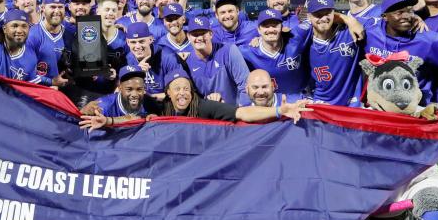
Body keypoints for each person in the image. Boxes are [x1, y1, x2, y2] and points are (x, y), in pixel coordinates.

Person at [80, 71, 309, 128]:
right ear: (167, 93)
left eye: (186, 89)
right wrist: (92, 106)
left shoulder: (204, 106)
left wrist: (279, 111)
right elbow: (132, 118)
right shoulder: (157, 106)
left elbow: (243, 113)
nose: (182, 93)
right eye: (176, 89)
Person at [363, 0, 438, 105]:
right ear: (385, 17)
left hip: (415, 106)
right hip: (379, 104)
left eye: (410, 11)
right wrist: (347, 20)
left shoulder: (429, 40)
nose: (407, 16)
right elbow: (340, 18)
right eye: (399, 12)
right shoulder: (370, 33)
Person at [239, 8, 314, 103]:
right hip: (270, 103)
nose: (271, 30)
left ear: (282, 27)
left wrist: (339, 16)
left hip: (301, 99)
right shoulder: (247, 52)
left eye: (275, 26)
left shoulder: (296, 38)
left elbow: (316, 19)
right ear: (258, 30)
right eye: (266, 26)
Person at [306, 0, 365, 106]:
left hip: (352, 103)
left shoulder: (350, 32)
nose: (323, 18)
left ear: (334, 13)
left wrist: (349, 20)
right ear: (309, 17)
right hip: (321, 103)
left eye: (327, 13)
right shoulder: (304, 41)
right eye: (318, 14)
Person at [80, 66, 150, 120]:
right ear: (119, 87)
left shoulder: (150, 104)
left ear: (144, 88)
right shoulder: (103, 106)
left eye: (139, 89)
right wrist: (83, 113)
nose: (134, 94)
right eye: (129, 89)